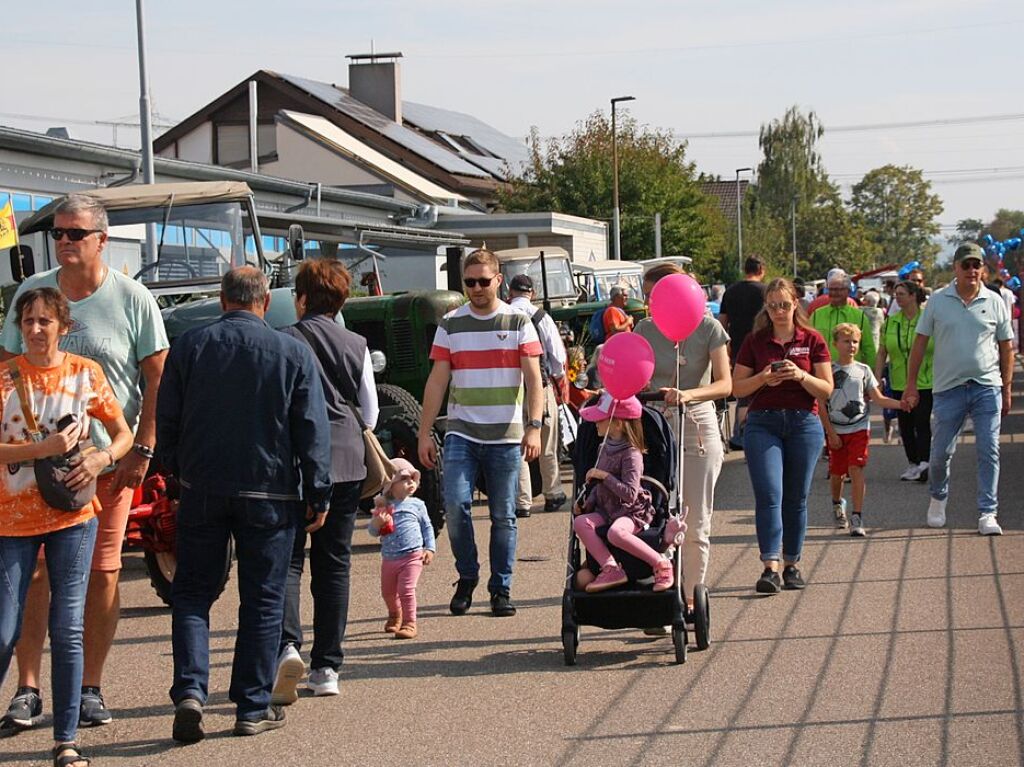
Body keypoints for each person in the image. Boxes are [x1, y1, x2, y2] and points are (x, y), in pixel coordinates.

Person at [0, 194, 168, 732]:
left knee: (103, 572)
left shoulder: (133, 298)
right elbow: (8, 368)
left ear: (101, 239)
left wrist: (140, 448)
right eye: (58, 233)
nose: (65, 241)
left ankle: (89, 687)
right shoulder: (32, 294)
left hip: (107, 465)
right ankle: (28, 689)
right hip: (30, 472)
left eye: (75, 233)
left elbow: (156, 378)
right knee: (35, 578)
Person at [157, 267, 332, 743]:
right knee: (263, 599)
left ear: (222, 299)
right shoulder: (293, 351)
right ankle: (250, 707)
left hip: (203, 487)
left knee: (192, 592)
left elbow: (166, 418)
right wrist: (319, 492)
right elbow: (311, 429)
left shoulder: (189, 347)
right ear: (264, 301)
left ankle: (191, 691)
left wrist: (175, 477)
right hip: (271, 492)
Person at [0, 287, 132, 767]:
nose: (35, 330)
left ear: (63, 326)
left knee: (68, 626)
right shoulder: (4, 379)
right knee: (4, 628)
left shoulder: (84, 374)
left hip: (73, 517)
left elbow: (123, 433)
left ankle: (67, 739)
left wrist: (100, 457)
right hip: (11, 521)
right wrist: (41, 449)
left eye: (44, 322)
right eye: (27, 321)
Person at [272, 259, 379, 704]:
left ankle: (286, 647)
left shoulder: (282, 341)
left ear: (299, 297)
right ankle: (328, 666)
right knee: (334, 564)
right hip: (347, 462)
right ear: (341, 299)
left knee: (289, 560)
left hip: (293, 464)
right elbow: (369, 413)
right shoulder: (356, 343)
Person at [418, 248, 543, 618]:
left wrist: (534, 427)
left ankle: (500, 588)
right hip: (461, 433)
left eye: (483, 282)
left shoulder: (518, 322)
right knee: (455, 506)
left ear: (498, 281)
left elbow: (534, 378)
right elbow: (437, 380)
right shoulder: (451, 323)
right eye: (469, 282)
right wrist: (425, 432)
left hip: (505, 434)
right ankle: (468, 576)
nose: (476, 288)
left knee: (504, 515)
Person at [635, 263, 731, 608]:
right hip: (654, 423)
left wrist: (690, 394)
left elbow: (725, 382)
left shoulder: (709, 328)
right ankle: (658, 593)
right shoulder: (643, 328)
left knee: (694, 518)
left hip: (696, 421)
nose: (647, 303)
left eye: (652, 296)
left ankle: (691, 597)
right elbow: (634, 373)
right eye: (645, 297)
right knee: (652, 515)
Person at [902, 243, 1014, 535]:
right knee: (940, 453)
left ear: (982, 269)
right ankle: (938, 497)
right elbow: (920, 343)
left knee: (989, 449)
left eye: (976, 265)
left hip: (986, 386)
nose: (972, 271)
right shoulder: (938, 301)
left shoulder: (995, 301)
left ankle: (988, 512)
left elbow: (1006, 346)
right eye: (966, 265)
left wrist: (1007, 386)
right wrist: (911, 384)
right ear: (955, 268)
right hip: (948, 388)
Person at [732, 278, 833, 594]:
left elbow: (827, 389)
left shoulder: (813, 339)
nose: (779, 311)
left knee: (796, 496)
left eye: (784, 305)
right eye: (772, 305)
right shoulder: (755, 341)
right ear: (766, 307)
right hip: (763, 422)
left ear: (795, 304)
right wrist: (763, 378)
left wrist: (801, 375)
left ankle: (792, 563)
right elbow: (737, 388)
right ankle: (770, 567)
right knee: (769, 494)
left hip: (804, 423)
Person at [571, 394, 678, 593]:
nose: (595, 423)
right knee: (580, 522)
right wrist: (587, 504)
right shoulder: (603, 448)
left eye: (599, 419)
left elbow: (630, 493)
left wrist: (604, 476)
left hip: (631, 511)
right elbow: (597, 486)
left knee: (615, 533)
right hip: (608, 509)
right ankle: (610, 568)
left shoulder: (632, 454)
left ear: (617, 424)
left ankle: (661, 564)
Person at [818, 323, 905, 537]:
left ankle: (857, 516)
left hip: (858, 428)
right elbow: (820, 404)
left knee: (856, 469)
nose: (851, 346)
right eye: (846, 341)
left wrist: (902, 404)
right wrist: (830, 432)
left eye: (855, 341)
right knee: (838, 474)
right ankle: (838, 504)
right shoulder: (827, 371)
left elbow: (878, 398)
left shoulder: (863, 370)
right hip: (836, 430)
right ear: (836, 343)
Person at [507, 273, 569, 517]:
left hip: (509, 388)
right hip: (539, 385)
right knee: (546, 440)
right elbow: (557, 357)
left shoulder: (503, 315)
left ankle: (522, 502)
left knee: (516, 444)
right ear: (531, 293)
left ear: (509, 293)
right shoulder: (540, 316)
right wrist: (557, 377)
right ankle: (552, 493)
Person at [368, 458, 436, 640]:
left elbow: (427, 527)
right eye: (405, 479)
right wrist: (377, 522)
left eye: (413, 479)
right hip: (389, 558)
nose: (411, 483)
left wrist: (430, 548)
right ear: (391, 484)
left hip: (412, 556)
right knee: (388, 592)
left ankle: (410, 622)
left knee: (406, 589)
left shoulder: (417, 505)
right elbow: (373, 532)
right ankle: (394, 614)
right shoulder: (383, 506)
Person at [875, 280, 934, 482]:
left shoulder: (927, 320)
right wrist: (877, 378)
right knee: (905, 424)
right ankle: (913, 463)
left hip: (925, 381)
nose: (897, 297)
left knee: (922, 421)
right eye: (896, 294)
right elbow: (882, 352)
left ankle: (925, 462)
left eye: (901, 294)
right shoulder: (891, 322)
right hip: (899, 381)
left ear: (913, 296)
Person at [718, 255, 767, 450]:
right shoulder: (765, 292)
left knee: (743, 393)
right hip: (762, 346)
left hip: (738, 347)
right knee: (762, 390)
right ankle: (756, 433)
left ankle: (740, 434)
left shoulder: (730, 291)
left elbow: (722, 322)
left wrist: (724, 349)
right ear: (761, 270)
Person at [810, 271, 876, 365]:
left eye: (838, 289)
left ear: (848, 291)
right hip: (823, 371)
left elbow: (868, 348)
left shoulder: (859, 316)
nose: (834, 293)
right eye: (831, 289)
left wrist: (873, 373)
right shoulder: (817, 315)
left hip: (851, 373)